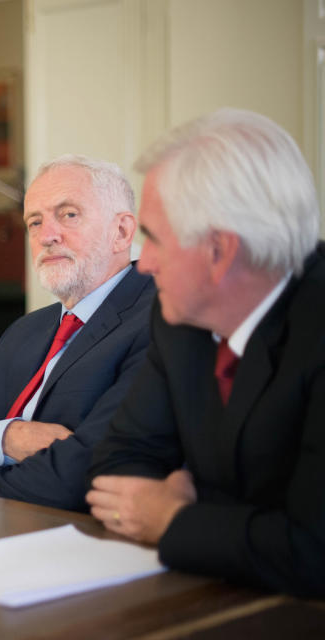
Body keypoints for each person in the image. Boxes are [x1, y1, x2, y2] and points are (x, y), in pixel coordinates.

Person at [87, 108, 325, 597]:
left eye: (153, 237)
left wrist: (175, 517)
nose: (142, 263)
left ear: (219, 251)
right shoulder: (181, 317)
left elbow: (312, 552)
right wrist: (167, 509)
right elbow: (118, 463)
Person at [0, 155, 155, 510]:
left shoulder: (158, 321)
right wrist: (8, 438)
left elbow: (80, 477)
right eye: (34, 222)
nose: (47, 236)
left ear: (121, 232)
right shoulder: (25, 331)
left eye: (68, 215)